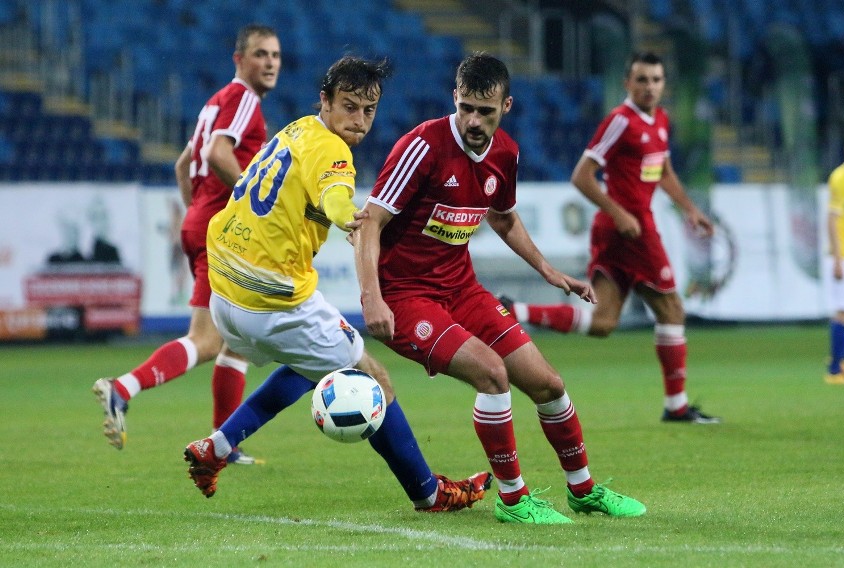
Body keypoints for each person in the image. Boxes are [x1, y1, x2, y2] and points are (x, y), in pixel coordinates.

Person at [182, 55, 492, 512]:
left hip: (225, 291)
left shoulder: (297, 129)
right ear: (324, 100)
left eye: (369, 111)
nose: (359, 120)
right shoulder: (333, 152)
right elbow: (336, 196)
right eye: (349, 106)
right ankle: (430, 494)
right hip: (271, 297)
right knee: (375, 379)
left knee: (315, 365)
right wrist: (351, 217)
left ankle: (217, 448)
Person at [352, 52, 645, 524]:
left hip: (462, 289)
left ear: (505, 106)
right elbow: (370, 223)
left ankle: (584, 491)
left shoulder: (504, 153)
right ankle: (514, 499)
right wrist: (372, 298)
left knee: (549, 384)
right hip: (407, 298)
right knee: (492, 374)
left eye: (484, 111)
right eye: (465, 106)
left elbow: (503, 217)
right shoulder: (422, 147)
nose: (472, 119)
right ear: (455, 97)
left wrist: (548, 271)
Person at [93, 24, 282, 463]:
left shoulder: (215, 102)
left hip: (203, 221)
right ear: (240, 59)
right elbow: (218, 154)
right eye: (260, 54)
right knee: (210, 340)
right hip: (225, 232)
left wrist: (197, 214)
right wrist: (251, 203)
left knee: (231, 341)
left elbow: (184, 165)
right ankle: (123, 388)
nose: (270, 63)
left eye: (275, 55)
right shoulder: (243, 99)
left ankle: (224, 444)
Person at [499, 52, 721, 424]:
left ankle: (515, 311)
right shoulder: (620, 121)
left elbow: (663, 172)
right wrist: (620, 212)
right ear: (627, 83)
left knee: (603, 322)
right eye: (642, 80)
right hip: (631, 230)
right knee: (672, 310)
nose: (649, 87)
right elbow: (582, 175)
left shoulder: (660, 121)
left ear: (664, 84)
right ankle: (676, 405)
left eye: (655, 80)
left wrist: (690, 210)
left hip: (622, 231)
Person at [824, 133, 844, 385]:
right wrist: (837, 258)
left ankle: (840, 362)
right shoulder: (841, 178)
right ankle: (835, 368)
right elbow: (832, 219)